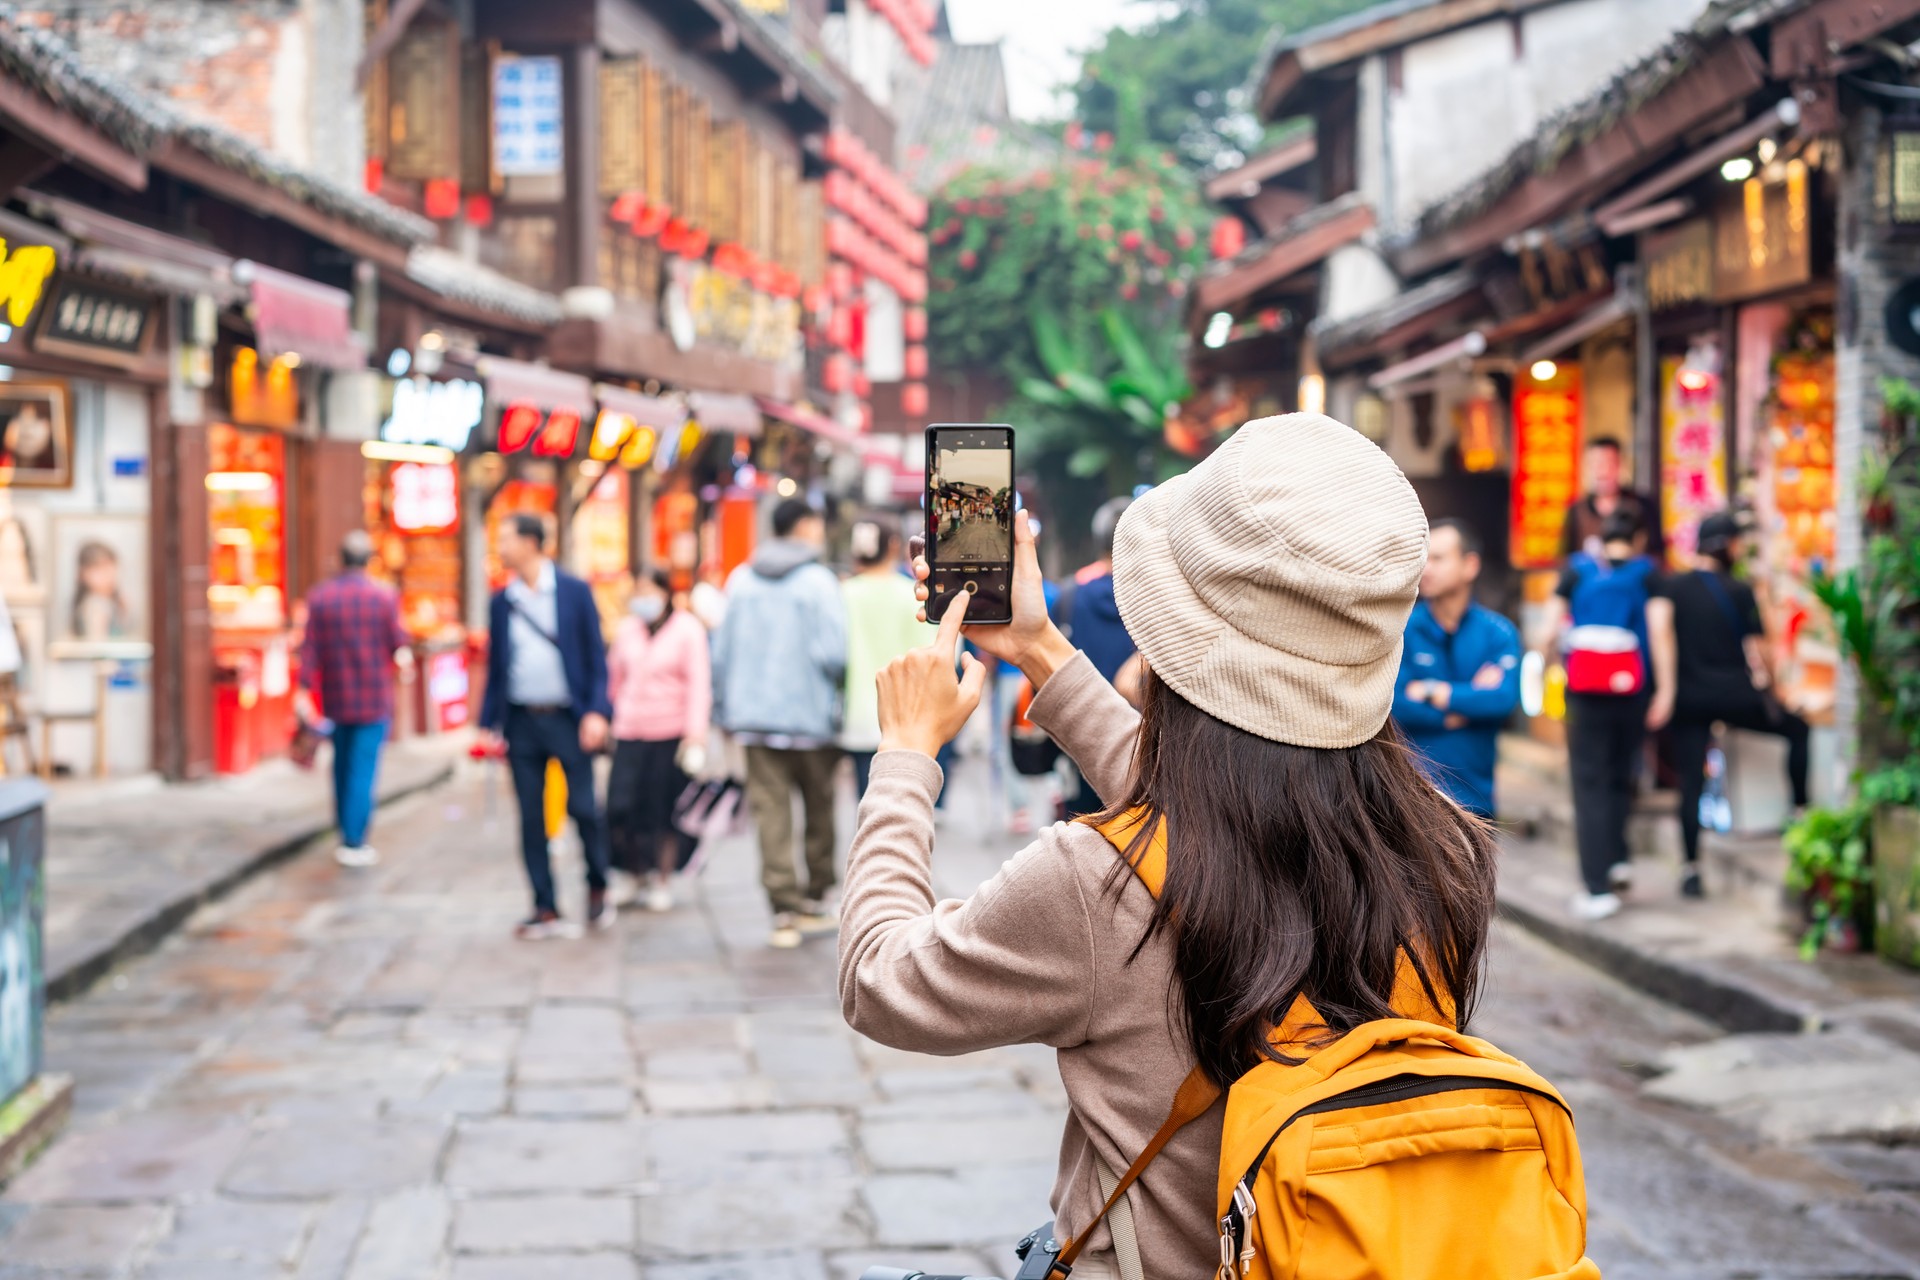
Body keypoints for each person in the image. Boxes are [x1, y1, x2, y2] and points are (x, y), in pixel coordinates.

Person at [839, 415, 1499, 1278]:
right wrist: (1041, 650)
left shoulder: (1094, 884)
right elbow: (1219, 811)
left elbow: (880, 980)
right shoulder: (1442, 848)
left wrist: (903, 758)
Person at [1647, 511, 1811, 898]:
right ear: (1726, 545)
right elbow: (1760, 651)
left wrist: (1667, 692)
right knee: (1798, 730)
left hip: (1689, 698)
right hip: (1735, 695)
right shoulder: (1740, 589)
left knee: (1691, 784)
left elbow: (1661, 636)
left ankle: (1690, 870)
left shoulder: (1674, 587)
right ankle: (1799, 812)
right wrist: (1776, 691)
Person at [712, 497, 848, 949]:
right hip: (810, 717)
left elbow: (722, 652)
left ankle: (783, 911)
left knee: (770, 812)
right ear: (807, 526)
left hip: (753, 717)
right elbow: (835, 653)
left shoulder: (741, 580)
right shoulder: (818, 582)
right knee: (819, 806)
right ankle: (814, 898)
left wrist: (724, 708)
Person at [478, 513, 615, 940]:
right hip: (522, 720)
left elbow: (596, 658)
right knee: (531, 818)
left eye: (506, 538)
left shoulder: (574, 592)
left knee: (583, 808)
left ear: (532, 542)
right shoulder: (502, 601)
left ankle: (597, 884)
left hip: (568, 719)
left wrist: (596, 711)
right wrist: (487, 723)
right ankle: (544, 905)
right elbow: (498, 668)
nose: (500, 546)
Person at [1538, 510, 1657, 920]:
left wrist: (1547, 663)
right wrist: (1666, 690)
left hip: (1585, 691)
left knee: (1589, 783)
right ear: (1637, 538)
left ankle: (1596, 888)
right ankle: (1618, 858)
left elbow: (1549, 630)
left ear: (1600, 539)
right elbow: (1660, 633)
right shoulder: (1647, 573)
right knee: (1622, 772)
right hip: (1632, 689)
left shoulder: (1577, 571)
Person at [1392, 518, 1521, 820]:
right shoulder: (1402, 630)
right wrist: (1464, 707)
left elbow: (1502, 700)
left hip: (1476, 799)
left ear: (1470, 565)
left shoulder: (1498, 632)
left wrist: (1431, 690)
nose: (1427, 569)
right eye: (1424, 559)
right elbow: (1393, 705)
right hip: (1412, 797)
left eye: (1438, 558)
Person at [297, 531, 411, 869]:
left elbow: (309, 651)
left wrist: (303, 689)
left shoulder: (320, 598)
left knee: (341, 765)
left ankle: (345, 830)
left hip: (335, 695)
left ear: (340, 559)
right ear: (369, 560)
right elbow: (398, 644)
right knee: (363, 768)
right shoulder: (384, 597)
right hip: (373, 698)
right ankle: (354, 839)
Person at [606, 566, 711, 913]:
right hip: (629, 730)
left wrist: (695, 734)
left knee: (662, 811)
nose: (643, 599)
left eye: (649, 590)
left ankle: (661, 878)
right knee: (622, 807)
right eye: (638, 591)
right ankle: (632, 873)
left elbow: (699, 684)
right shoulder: (627, 631)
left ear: (666, 592)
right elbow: (614, 679)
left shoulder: (687, 630)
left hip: (670, 732)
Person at [840, 518, 924, 799]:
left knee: (865, 800)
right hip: (902, 717)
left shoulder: (843, 593)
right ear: (893, 546)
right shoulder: (911, 594)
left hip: (856, 716)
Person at [1560, 437, 1662, 561]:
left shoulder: (1643, 506)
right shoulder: (1577, 511)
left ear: (1622, 465)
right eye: (1597, 464)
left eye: (1611, 463)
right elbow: (1567, 560)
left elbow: (1657, 557)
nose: (1604, 471)